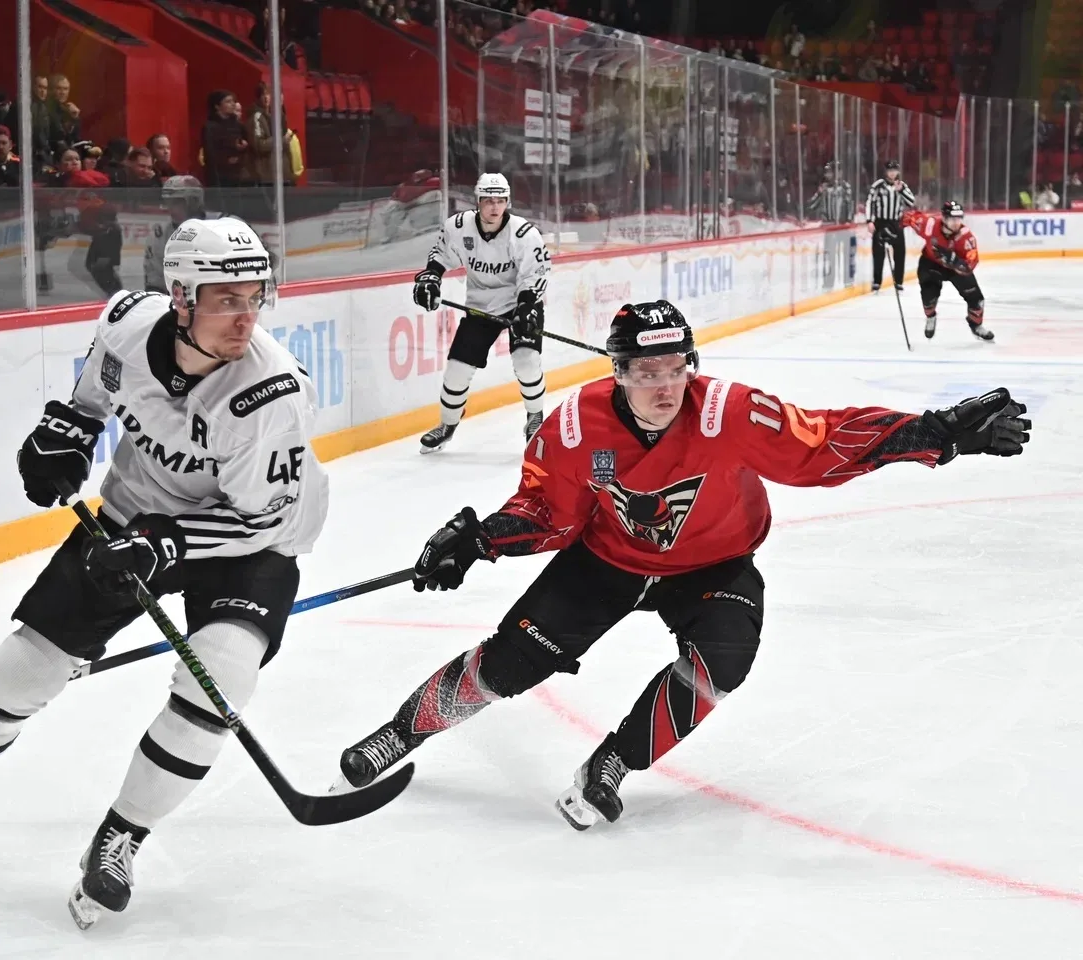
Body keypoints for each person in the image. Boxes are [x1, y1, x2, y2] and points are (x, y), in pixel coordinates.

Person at [332, 300, 1030, 830]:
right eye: (647, 373)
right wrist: (480, 539)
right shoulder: (575, 429)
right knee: (511, 663)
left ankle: (614, 760)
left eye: (675, 369)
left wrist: (935, 434)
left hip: (712, 563)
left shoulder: (731, 412)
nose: (665, 387)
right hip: (606, 560)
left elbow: (819, 445)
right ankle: (402, 731)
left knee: (724, 660)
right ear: (618, 372)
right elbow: (548, 512)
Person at [0, 217, 331, 929]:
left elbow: (260, 520)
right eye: (227, 300)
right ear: (180, 297)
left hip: (250, 544)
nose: (247, 317)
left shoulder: (269, 394)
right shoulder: (125, 323)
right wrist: (62, 437)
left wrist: (168, 545)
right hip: (136, 512)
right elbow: (89, 404)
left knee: (218, 682)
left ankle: (122, 835)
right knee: (22, 670)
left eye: (256, 297)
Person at [413, 172, 551, 452]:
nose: (494, 207)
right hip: (481, 307)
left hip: (520, 304)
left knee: (526, 361)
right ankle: (447, 424)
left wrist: (527, 306)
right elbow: (441, 255)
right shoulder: (459, 227)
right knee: (457, 370)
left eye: (500, 200)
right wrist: (432, 276)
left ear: (507, 202)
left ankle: (535, 416)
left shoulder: (524, 234)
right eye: (488, 200)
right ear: (477, 201)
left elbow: (534, 274)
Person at [901, 201, 992, 341]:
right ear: (944, 218)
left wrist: (956, 262)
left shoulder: (966, 238)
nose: (956, 223)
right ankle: (930, 316)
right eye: (952, 219)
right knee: (928, 297)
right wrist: (891, 230)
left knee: (976, 299)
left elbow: (971, 264)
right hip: (931, 264)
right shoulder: (929, 225)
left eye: (959, 218)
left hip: (956, 270)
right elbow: (908, 217)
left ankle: (976, 325)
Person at [144, 175, 210, 293]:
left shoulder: (217, 228)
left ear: (194, 202)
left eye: (176, 202)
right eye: (168, 202)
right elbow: (155, 281)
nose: (170, 209)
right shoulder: (160, 236)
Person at [864, 159, 915, 292]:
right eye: (890, 170)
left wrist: (902, 190)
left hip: (896, 223)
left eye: (894, 170)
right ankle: (877, 281)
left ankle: (898, 281)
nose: (892, 173)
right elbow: (870, 202)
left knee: (900, 253)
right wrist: (869, 221)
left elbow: (911, 202)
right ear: (885, 171)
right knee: (878, 253)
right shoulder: (878, 185)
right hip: (880, 222)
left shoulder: (902, 185)